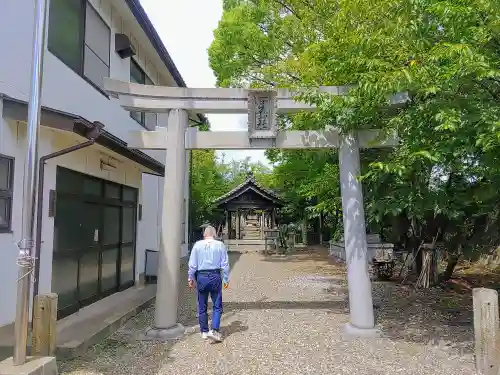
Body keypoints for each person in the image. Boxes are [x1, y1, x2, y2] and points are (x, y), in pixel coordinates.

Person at [188, 225, 230, 342]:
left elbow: (192, 265)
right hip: (215, 276)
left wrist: (190, 278)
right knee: (217, 305)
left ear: (204, 234)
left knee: (202, 305)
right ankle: (214, 330)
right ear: (215, 234)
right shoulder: (220, 245)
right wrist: (226, 279)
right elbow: (225, 265)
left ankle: (204, 331)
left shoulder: (197, 245)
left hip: (201, 276)